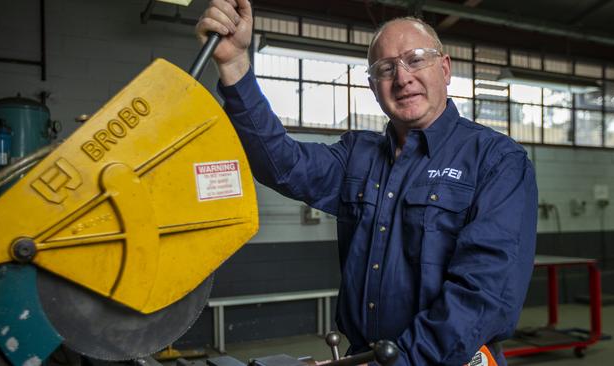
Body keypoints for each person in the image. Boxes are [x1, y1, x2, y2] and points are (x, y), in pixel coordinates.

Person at [196, 0, 538, 365]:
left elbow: (483, 295)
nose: (403, 77)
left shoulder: (496, 161)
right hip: (365, 356)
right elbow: (282, 163)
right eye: (386, 69)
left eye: (416, 59)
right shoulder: (357, 156)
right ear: (374, 87)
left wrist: (398, 361)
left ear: (445, 68)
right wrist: (234, 65)